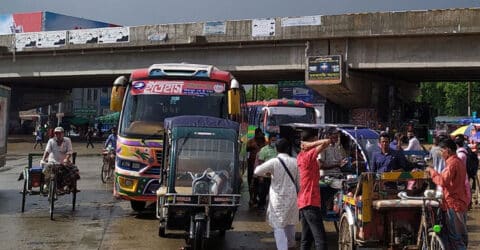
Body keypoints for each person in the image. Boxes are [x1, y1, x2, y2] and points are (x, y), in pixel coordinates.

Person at [254, 138, 299, 250]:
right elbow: (300, 183)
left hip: (278, 197)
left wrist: (268, 174)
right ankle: (291, 244)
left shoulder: (274, 162)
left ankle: (282, 248)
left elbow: (257, 171)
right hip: (292, 196)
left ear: (276, 149)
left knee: (278, 225)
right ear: (288, 148)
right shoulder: (295, 161)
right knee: (290, 222)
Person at [426, 138, 469, 249]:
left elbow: (442, 181)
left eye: (442, 151)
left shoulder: (452, 164)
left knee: (456, 238)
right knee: (459, 237)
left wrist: (431, 171)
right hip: (459, 202)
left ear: (448, 150)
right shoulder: (458, 162)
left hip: (453, 204)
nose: (441, 154)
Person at [297, 128, 330, 250]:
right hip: (310, 202)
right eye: (315, 139)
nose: (317, 141)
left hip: (304, 202)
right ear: (310, 141)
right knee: (321, 240)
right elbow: (326, 142)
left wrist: (308, 143)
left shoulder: (301, 155)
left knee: (306, 239)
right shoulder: (308, 155)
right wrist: (310, 144)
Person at [42, 127, 80, 194]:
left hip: (64, 162)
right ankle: (48, 186)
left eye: (59, 133)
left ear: (63, 134)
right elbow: (47, 151)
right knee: (48, 171)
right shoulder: (51, 141)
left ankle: (69, 187)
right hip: (52, 162)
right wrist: (43, 159)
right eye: (56, 133)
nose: (57, 135)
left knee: (74, 171)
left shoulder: (67, 140)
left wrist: (66, 159)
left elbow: (69, 151)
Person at [255, 133, 278, 211]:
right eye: (273, 140)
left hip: (275, 176)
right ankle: (261, 205)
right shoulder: (264, 150)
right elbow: (261, 162)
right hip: (265, 176)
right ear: (269, 140)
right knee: (263, 192)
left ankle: (273, 207)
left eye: (275, 140)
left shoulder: (278, 149)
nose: (274, 142)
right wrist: (261, 176)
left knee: (274, 193)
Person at [246, 128, 266, 207]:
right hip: (251, 165)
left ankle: (256, 197)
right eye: (258, 134)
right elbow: (247, 149)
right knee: (251, 182)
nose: (259, 135)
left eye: (260, 134)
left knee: (259, 183)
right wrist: (252, 147)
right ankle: (251, 198)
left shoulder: (264, 142)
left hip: (261, 165)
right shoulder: (251, 141)